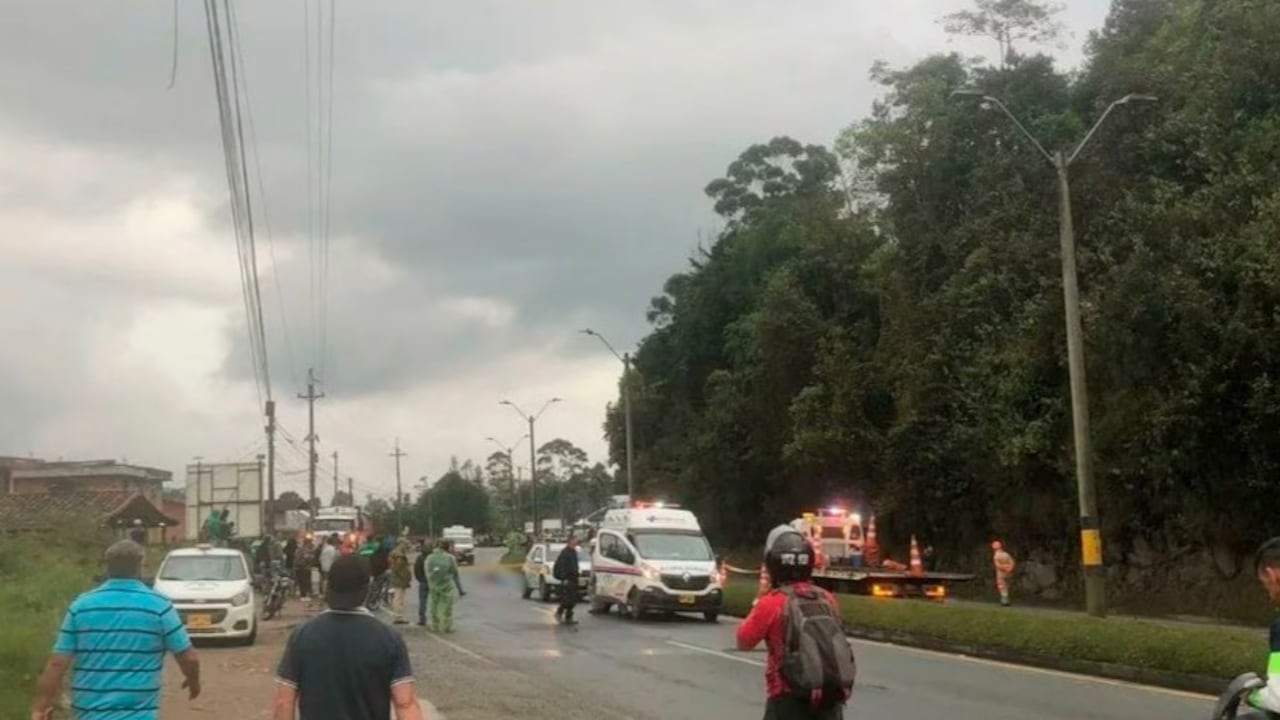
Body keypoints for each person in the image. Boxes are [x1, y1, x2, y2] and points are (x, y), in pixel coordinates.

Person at [31, 540, 202, 720]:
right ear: (140, 566)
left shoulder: (81, 606)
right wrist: (193, 680)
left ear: (107, 567)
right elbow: (189, 658)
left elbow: (57, 663)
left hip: (89, 713)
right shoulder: (159, 607)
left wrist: (40, 707)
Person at [271, 555, 425, 720]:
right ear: (368, 586)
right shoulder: (388, 639)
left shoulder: (302, 636)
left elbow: (284, 702)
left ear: (328, 586)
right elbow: (405, 703)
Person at [737, 525, 855, 720]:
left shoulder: (771, 602)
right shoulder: (827, 598)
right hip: (828, 697)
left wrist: (760, 597)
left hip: (787, 698)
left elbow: (744, 640)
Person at [425, 540, 465, 632]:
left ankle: (435, 624)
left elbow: (427, 571)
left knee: (434, 604)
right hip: (446, 584)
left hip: (433, 584)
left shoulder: (430, 558)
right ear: (447, 547)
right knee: (447, 605)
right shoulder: (450, 558)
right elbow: (454, 572)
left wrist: (431, 581)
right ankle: (446, 626)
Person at [552, 535, 582, 625]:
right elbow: (562, 566)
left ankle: (568, 617)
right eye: (575, 540)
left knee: (573, 599)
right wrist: (564, 578)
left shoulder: (573, 551)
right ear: (570, 541)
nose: (577, 541)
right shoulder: (565, 552)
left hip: (574, 578)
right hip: (568, 578)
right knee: (568, 599)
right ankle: (559, 612)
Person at [389, 540, 412, 624]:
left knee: (397, 598)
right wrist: (406, 578)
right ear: (401, 544)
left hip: (397, 579)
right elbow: (398, 568)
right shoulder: (399, 556)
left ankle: (398, 616)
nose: (406, 546)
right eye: (405, 544)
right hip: (400, 580)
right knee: (399, 598)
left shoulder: (395, 553)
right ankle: (398, 617)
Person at [991, 540, 1016, 607]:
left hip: (1001, 573)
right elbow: (1012, 562)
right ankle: (1006, 599)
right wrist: (1009, 569)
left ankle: (1005, 601)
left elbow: (997, 565)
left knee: (1002, 586)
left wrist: (1004, 568)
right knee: (1007, 586)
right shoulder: (1006, 554)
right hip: (1008, 572)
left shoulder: (996, 555)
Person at [413, 539, 431, 626]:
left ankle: (422, 618)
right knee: (435, 600)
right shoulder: (432, 558)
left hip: (423, 581)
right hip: (432, 582)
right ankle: (437, 618)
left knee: (422, 600)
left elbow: (416, 570)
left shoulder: (420, 558)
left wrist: (420, 579)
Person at [317, 533, 339, 605]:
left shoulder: (325, 549)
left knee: (324, 581)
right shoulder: (333, 550)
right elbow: (335, 559)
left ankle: (324, 595)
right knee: (330, 582)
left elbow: (320, 559)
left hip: (324, 568)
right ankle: (328, 595)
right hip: (331, 568)